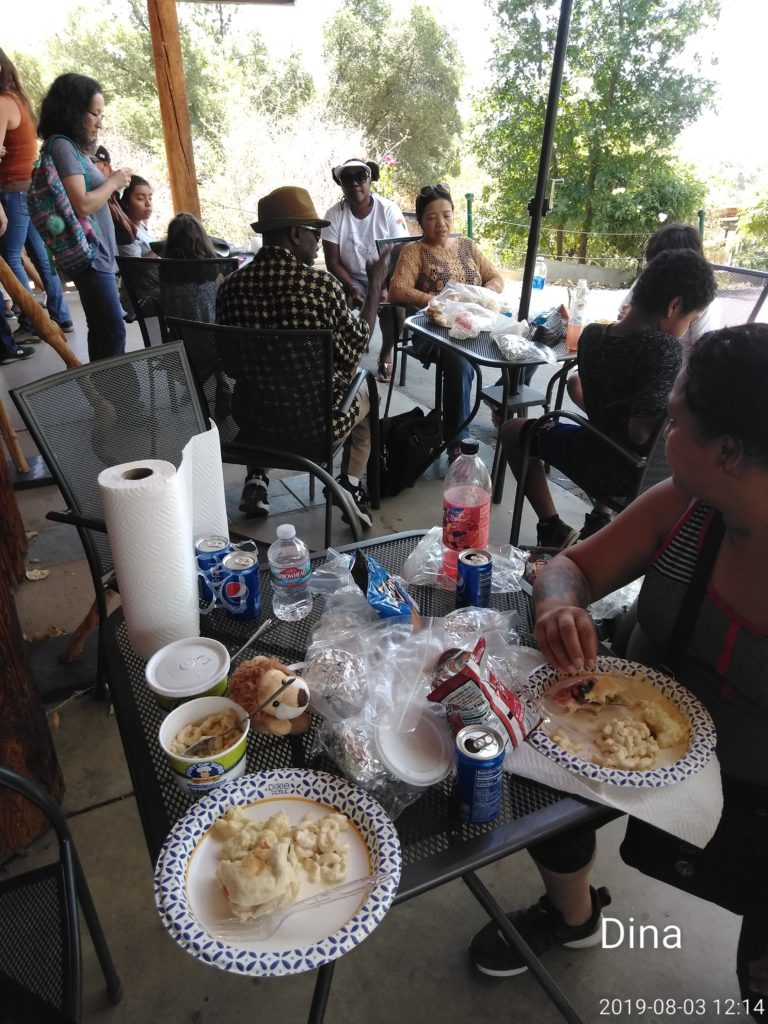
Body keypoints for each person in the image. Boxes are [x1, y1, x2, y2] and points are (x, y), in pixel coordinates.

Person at [468, 324, 768, 1016]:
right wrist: (559, 607)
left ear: (727, 451)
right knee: (527, 780)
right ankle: (572, 917)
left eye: (675, 419)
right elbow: (569, 567)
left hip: (752, 792)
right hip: (613, 731)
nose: (664, 434)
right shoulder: (690, 508)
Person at [501, 249, 716, 549]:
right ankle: (597, 518)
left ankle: (551, 526)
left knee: (512, 431)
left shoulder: (591, 336)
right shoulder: (666, 348)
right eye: (689, 320)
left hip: (600, 462)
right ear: (674, 306)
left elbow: (623, 423)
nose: (685, 330)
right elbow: (641, 431)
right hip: (635, 475)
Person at [216, 185, 389, 527]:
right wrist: (374, 286)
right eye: (315, 234)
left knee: (262, 382)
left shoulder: (231, 286)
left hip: (250, 425)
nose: (319, 243)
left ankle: (256, 478)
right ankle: (349, 484)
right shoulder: (320, 287)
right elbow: (357, 348)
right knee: (366, 387)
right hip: (313, 428)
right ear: (296, 234)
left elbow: (229, 361)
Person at [388, 183, 504, 459]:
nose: (441, 223)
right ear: (420, 221)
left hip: (475, 324)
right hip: (434, 330)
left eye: (447, 215)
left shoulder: (467, 245)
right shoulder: (414, 251)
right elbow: (398, 290)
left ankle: (496, 395)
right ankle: (457, 443)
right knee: (460, 364)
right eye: (432, 217)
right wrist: (440, 302)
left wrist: (480, 296)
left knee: (522, 344)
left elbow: (495, 278)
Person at [37, 73, 131, 361]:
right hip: (90, 255)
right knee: (113, 329)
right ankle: (119, 396)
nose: (100, 122)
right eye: (94, 114)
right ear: (73, 111)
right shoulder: (62, 146)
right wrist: (113, 182)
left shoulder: (70, 147)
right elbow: (83, 204)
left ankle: (103, 401)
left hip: (97, 254)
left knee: (101, 328)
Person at [0, 48, 73, 341]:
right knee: (42, 257)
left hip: (11, 191)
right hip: (27, 188)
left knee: (10, 256)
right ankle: (59, 315)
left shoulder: (3, 102)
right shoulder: (18, 100)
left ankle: (32, 321)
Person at [321, 158, 408, 383]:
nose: (354, 183)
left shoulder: (388, 210)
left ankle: (386, 351)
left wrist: (386, 286)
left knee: (395, 313)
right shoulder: (333, 215)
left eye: (360, 176)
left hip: (386, 277)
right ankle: (345, 359)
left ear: (370, 180)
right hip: (350, 278)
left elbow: (401, 256)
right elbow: (332, 262)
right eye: (346, 178)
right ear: (341, 184)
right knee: (333, 307)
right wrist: (351, 287)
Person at [618, 221, 721, 351]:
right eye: (653, 265)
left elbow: (704, 358)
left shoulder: (704, 305)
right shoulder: (647, 281)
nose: (656, 272)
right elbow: (623, 316)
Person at [117, 175, 155, 258]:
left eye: (150, 198)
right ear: (125, 203)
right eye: (140, 198)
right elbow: (136, 268)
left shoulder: (141, 224)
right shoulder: (125, 233)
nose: (148, 204)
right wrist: (161, 250)